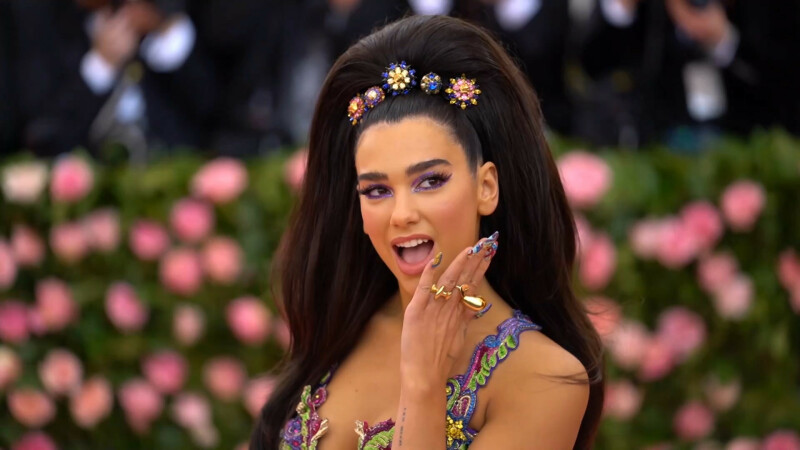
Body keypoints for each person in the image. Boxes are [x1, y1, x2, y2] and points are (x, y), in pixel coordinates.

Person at [251, 15, 604, 450]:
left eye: (430, 181)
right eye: (377, 190)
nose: (402, 214)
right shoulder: (342, 324)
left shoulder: (546, 379)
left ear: (486, 187)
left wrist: (424, 382)